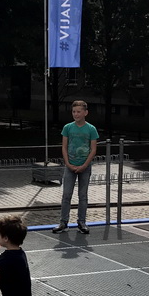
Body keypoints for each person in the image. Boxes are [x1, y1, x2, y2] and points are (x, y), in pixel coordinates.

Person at [53, 99, 99, 235]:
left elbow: (93, 149)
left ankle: (81, 222)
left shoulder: (91, 129)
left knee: (83, 195)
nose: (76, 114)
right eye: (74, 112)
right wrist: (67, 163)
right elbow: (64, 146)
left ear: (85, 113)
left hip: (85, 167)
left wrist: (85, 165)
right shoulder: (68, 127)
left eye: (79, 112)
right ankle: (63, 222)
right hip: (70, 166)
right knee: (66, 194)